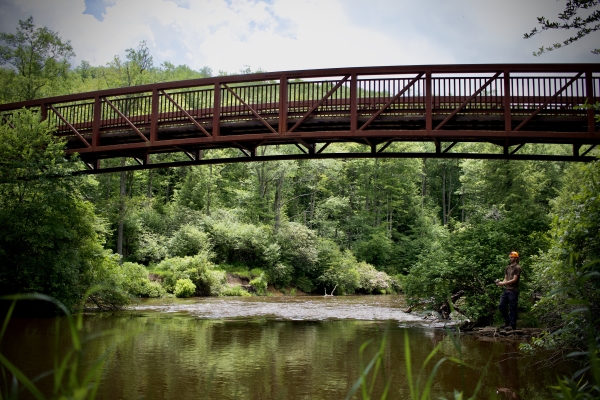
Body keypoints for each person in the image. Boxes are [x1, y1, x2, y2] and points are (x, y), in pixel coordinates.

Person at [495, 251, 522, 331]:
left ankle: (512, 325)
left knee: (512, 308)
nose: (510, 258)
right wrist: (501, 282)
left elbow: (514, 280)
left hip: (513, 291)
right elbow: (505, 278)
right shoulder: (507, 267)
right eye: (510, 257)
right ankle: (507, 322)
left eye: (512, 257)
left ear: (516, 258)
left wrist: (504, 283)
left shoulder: (518, 267)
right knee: (501, 306)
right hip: (506, 290)